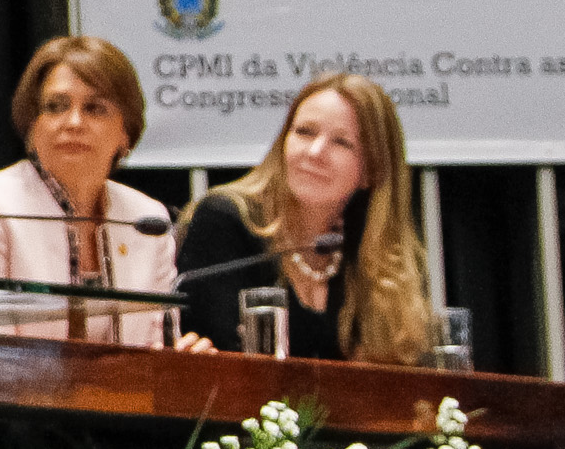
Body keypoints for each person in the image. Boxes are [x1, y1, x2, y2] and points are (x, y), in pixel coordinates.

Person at [0, 36, 182, 332]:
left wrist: (183, 357)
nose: (74, 122)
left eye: (95, 109)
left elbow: (158, 346)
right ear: (33, 126)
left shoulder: (146, 220)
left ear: (126, 131)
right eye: (56, 106)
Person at [175, 73, 435, 361]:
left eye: (341, 142)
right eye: (304, 132)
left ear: (371, 171)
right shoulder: (226, 221)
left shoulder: (377, 257)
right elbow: (226, 361)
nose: (315, 152)